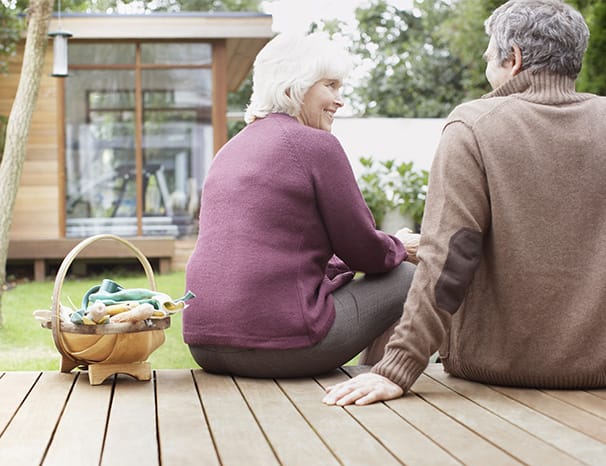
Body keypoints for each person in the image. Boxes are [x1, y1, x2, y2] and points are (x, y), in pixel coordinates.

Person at [323, 0, 606, 406]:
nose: (486, 62)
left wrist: (397, 368)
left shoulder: (475, 125)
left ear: (514, 58)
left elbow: (450, 256)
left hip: (500, 370)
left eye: (489, 53)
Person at [183, 32, 419, 378]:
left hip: (205, 346)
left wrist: (384, 249)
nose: (340, 100)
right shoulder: (316, 145)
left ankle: (375, 376)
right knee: (407, 276)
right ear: (296, 86)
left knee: (392, 266)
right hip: (281, 347)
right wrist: (401, 246)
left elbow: (276, 251)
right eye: (330, 85)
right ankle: (382, 380)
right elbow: (366, 253)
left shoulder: (231, 149)